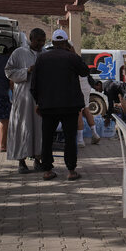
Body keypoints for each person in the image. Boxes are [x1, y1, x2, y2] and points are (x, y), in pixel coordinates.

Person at [30, 29, 89, 181]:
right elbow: (84, 72)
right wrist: (74, 53)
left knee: (47, 138)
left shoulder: (42, 58)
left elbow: (34, 85)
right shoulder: (71, 57)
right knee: (70, 138)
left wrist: (39, 102)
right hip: (70, 107)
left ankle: (48, 171)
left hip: (48, 107)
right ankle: (71, 171)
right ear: (66, 43)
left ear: (53, 42)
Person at [5, 28, 46, 174]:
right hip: (23, 98)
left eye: (43, 41)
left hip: (40, 98)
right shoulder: (19, 53)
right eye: (38, 41)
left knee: (39, 129)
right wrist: (26, 71)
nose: (41, 44)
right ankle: (21, 162)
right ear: (31, 38)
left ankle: (38, 160)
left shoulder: (45, 54)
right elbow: (8, 72)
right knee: (23, 128)